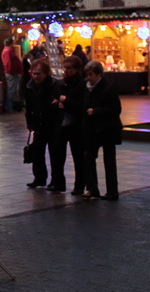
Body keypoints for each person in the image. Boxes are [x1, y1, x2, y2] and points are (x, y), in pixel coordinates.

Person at [82, 60, 122, 201]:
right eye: (87, 75)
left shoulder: (107, 88)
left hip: (107, 129)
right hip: (92, 129)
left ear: (99, 74)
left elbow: (116, 109)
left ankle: (112, 191)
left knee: (109, 161)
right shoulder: (87, 89)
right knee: (89, 158)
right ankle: (92, 189)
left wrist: (97, 111)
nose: (88, 78)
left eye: (91, 74)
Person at [23, 59, 60, 190]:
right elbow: (29, 106)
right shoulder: (30, 86)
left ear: (46, 74)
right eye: (33, 73)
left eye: (38, 74)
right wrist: (30, 123)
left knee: (54, 154)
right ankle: (39, 178)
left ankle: (55, 181)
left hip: (52, 124)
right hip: (38, 124)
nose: (35, 76)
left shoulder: (54, 85)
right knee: (37, 152)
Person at [53, 56, 87, 196]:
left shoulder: (82, 85)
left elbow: (81, 106)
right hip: (61, 124)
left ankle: (79, 185)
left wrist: (66, 101)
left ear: (77, 69)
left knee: (78, 157)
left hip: (76, 126)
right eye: (64, 67)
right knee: (58, 156)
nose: (65, 71)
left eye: (69, 68)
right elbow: (55, 99)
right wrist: (58, 103)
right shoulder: (60, 83)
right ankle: (58, 183)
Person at [1, 40, 23, 113]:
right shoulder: (8, 51)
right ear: (11, 44)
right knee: (11, 90)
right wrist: (12, 71)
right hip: (12, 73)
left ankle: (10, 107)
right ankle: (9, 108)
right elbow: (8, 63)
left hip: (12, 72)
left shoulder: (8, 50)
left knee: (12, 90)